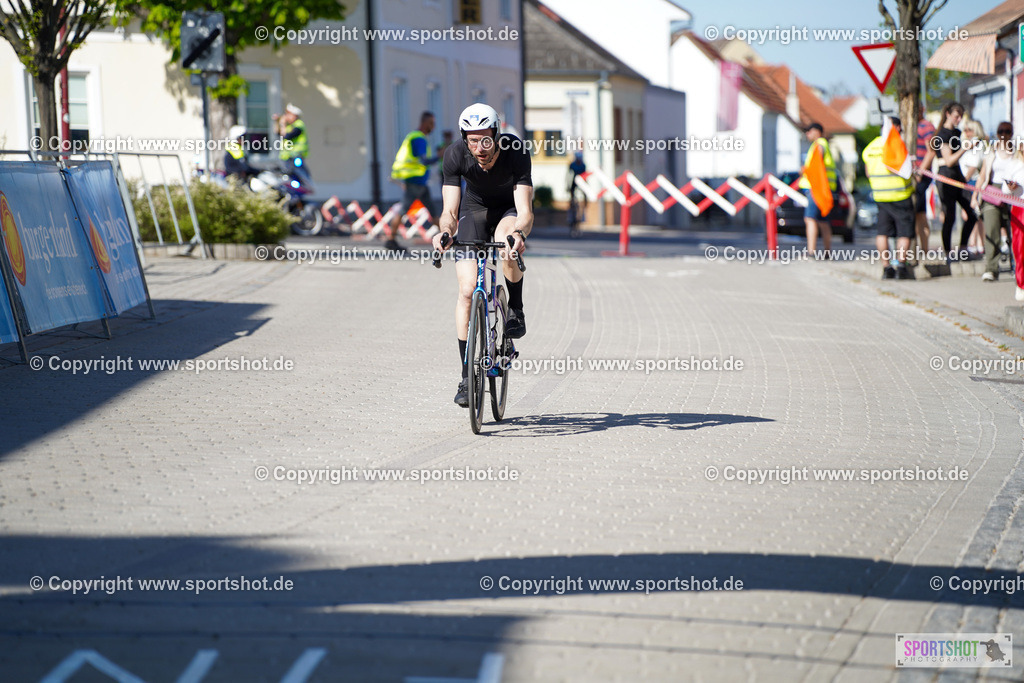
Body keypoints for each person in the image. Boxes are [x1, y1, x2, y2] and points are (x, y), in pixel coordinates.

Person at [432, 103, 532, 407]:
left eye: (485, 139)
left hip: (508, 210)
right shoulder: (454, 154)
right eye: (472, 140)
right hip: (474, 212)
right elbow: (449, 211)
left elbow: (525, 211)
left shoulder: (515, 150)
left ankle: (515, 307)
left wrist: (519, 234)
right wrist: (445, 232)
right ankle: (466, 377)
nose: (479, 147)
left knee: (505, 245)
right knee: (465, 292)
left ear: (496, 134)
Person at [864, 117, 915, 279]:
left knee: (882, 233)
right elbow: (906, 168)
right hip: (900, 195)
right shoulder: (896, 143)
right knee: (904, 233)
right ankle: (901, 266)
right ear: (897, 127)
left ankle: (886, 268)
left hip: (880, 196)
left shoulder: (870, 147)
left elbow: (867, 172)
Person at [974, 122, 1020, 281]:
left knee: (1014, 233)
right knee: (992, 230)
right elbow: (982, 176)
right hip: (992, 193)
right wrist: (975, 196)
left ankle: (1017, 267)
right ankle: (991, 268)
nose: (1003, 134)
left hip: (1013, 193)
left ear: (1011, 133)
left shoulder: (1017, 152)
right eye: (1000, 131)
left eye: (1007, 131)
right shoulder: (991, 152)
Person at [389, 111, 440, 250]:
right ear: (424, 123)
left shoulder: (416, 136)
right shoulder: (419, 138)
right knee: (404, 210)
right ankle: (390, 239)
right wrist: (439, 156)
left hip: (419, 183)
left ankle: (447, 237)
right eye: (431, 123)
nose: (433, 127)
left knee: (432, 211)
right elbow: (424, 161)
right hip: (415, 182)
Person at [932, 102, 976, 261]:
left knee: (972, 213)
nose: (958, 119)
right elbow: (949, 160)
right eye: (957, 116)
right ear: (948, 114)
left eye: (960, 116)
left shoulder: (956, 133)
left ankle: (963, 248)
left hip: (957, 174)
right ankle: (948, 252)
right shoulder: (942, 135)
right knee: (949, 216)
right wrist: (965, 148)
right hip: (946, 176)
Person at [797, 122, 837, 256]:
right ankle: (827, 252)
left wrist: (805, 170)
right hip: (824, 189)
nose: (807, 134)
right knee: (823, 221)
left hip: (817, 189)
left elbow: (816, 164)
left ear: (816, 131)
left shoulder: (819, 144)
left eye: (809, 131)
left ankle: (811, 252)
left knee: (810, 219)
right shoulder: (823, 144)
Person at [959, 119, 987, 257]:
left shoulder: (976, 144)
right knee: (976, 216)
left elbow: (973, 165)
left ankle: (974, 244)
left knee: (971, 215)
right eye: (965, 130)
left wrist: (963, 181)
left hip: (971, 183)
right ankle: (977, 244)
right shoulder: (973, 144)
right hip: (971, 182)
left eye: (969, 130)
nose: (967, 132)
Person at [914, 114, 937, 253]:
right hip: (911, 176)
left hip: (921, 176)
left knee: (919, 214)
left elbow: (931, 151)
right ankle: (920, 250)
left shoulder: (926, 126)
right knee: (917, 214)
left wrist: (920, 172)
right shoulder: (909, 125)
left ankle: (924, 249)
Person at [274, 104, 310, 182]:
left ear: (294, 115)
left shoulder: (298, 125)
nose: (286, 116)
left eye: (288, 114)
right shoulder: (290, 126)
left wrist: (283, 123)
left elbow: (287, 136)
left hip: (295, 156)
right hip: (287, 156)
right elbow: (278, 133)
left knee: (299, 176)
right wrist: (277, 122)